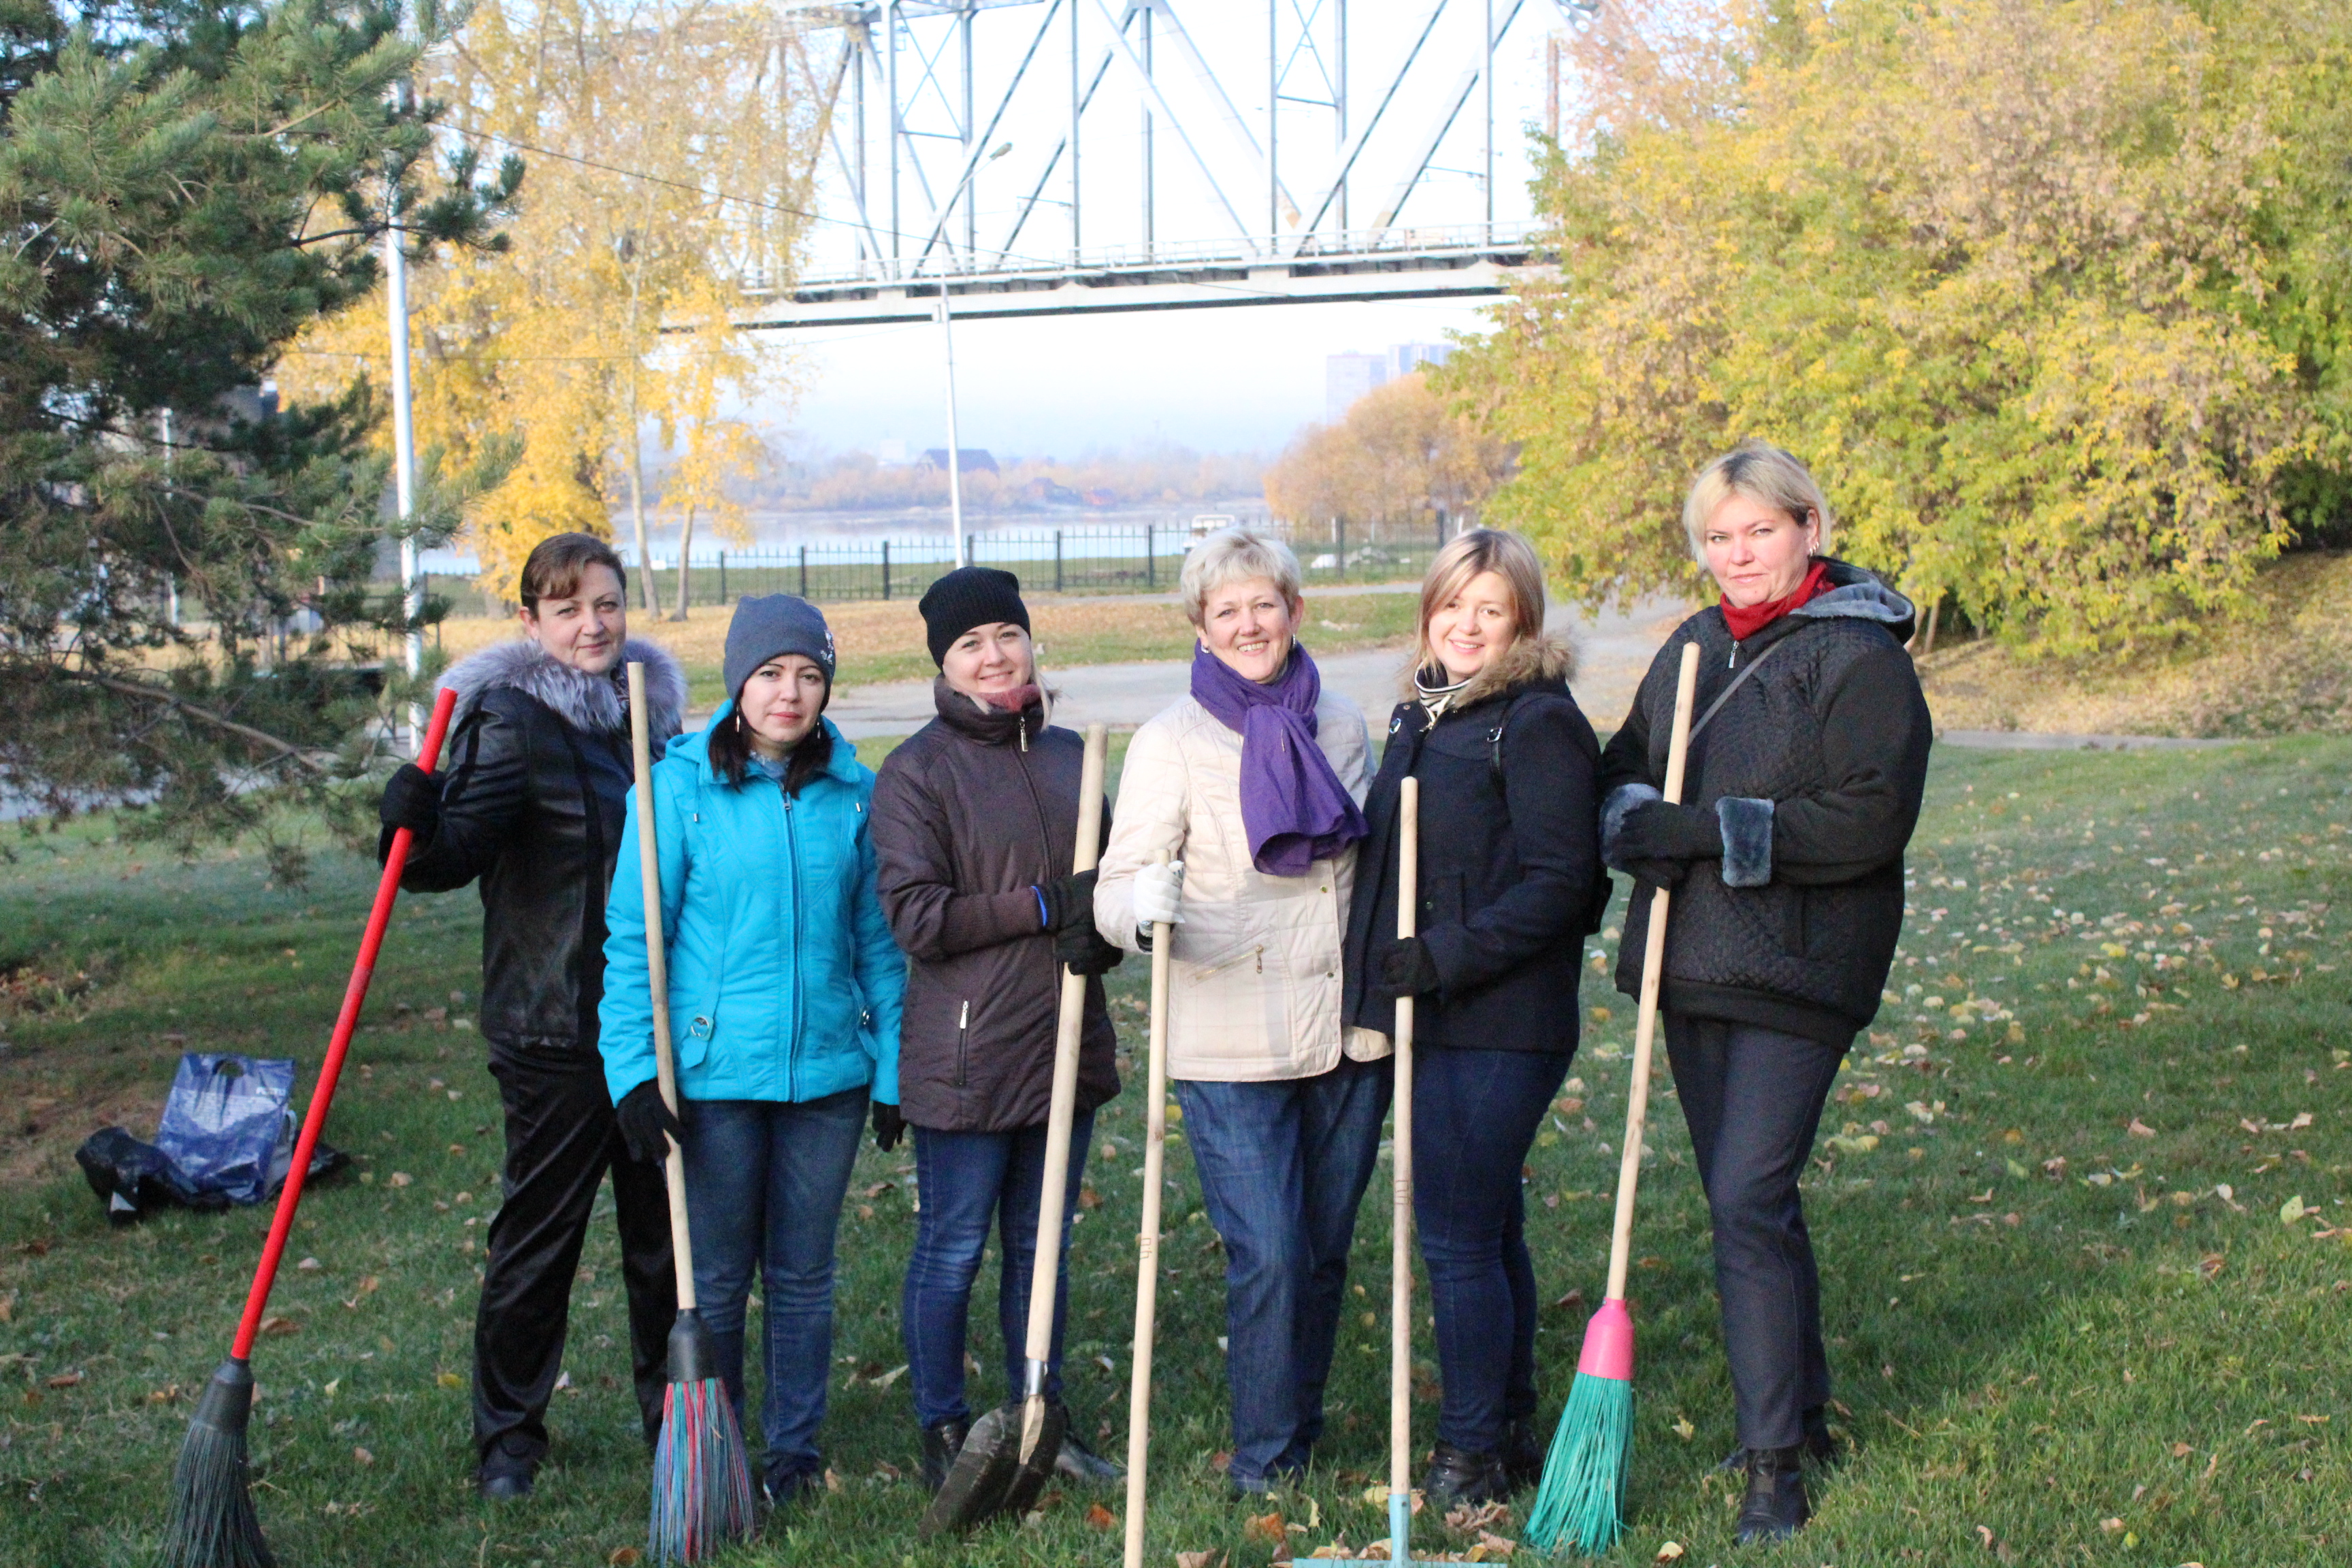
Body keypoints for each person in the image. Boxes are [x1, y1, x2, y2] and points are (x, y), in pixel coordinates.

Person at [1599, 442, 1930, 1542]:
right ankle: (1809, 1415)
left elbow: (1866, 820)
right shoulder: (1693, 645)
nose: (1738, 554)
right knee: (1753, 1206)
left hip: (1799, 965)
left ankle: (1774, 1465)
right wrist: (1628, 815)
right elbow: (1623, 766)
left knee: (1744, 1196)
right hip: (1686, 964)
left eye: (1760, 531)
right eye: (1720, 537)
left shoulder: (1861, 656)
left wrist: (1694, 832)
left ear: (1810, 529)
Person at [376, 532, 687, 1499]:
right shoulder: (510, 719)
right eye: (567, 609)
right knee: (541, 1237)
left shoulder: (652, 716)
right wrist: (408, 819)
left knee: (664, 1239)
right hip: (553, 1026)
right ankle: (509, 1437)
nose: (592, 625)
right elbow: (445, 856)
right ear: (531, 621)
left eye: (607, 603)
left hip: (657, 1028)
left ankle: (673, 1416)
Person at [597, 593, 906, 1507]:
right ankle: (715, 1449)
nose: (791, 693)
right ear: (739, 682)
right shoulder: (673, 791)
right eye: (772, 674)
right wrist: (632, 1073)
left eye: (810, 676)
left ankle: (796, 1454)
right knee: (721, 1278)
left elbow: (878, 945)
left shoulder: (856, 793)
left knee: (805, 1276)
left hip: (825, 1076)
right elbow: (630, 944)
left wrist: (888, 1068)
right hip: (714, 1077)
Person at [1092, 526, 1384, 1495]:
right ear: (1201, 628)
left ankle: (1295, 1426)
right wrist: (1140, 909)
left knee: (1323, 1251)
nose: (1250, 623)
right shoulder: (1171, 740)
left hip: (1344, 1029)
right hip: (1228, 1033)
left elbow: (1371, 875)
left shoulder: (1341, 724)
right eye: (1229, 611)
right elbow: (1117, 880)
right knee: (1268, 1250)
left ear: (1295, 611)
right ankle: (1264, 1463)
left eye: (1266, 604)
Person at [1339, 528, 1604, 1506]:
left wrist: (1443, 955)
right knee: (1489, 1230)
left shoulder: (1533, 723)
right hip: (1437, 1010)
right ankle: (1513, 1419)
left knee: (1454, 1235)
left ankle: (1468, 1453)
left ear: (1522, 621)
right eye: (1454, 605)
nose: (1467, 624)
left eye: (1490, 610)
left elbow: (1560, 884)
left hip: (1503, 1019)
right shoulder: (1428, 714)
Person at [868, 566, 1126, 1495]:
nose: (993, 655)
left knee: (1041, 1243)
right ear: (945, 662)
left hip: (1065, 1044)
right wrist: (1042, 904)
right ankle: (943, 1427)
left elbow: (1106, 894)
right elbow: (921, 920)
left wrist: (1105, 929)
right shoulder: (916, 773)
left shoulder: (1071, 760)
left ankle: (1035, 1415)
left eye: (1006, 637)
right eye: (971, 644)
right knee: (953, 1245)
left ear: (1030, 642)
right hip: (966, 1056)